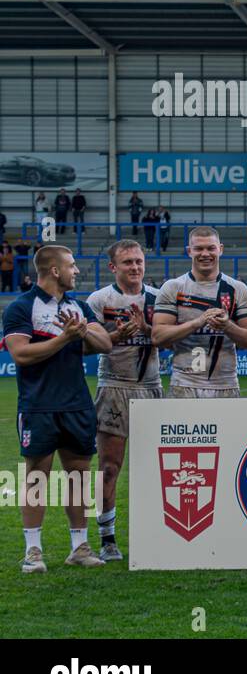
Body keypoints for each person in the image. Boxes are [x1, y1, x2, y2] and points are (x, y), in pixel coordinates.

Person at [3, 245, 113, 572]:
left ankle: (79, 546)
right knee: (37, 477)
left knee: (78, 476)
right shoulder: (21, 307)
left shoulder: (78, 307)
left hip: (77, 403)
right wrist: (66, 338)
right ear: (54, 270)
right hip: (38, 404)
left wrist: (83, 334)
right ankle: (33, 551)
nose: (76, 271)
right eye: (72, 265)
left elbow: (105, 344)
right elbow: (21, 354)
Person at [85, 239, 161, 561]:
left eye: (139, 261)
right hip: (114, 386)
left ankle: (156, 534)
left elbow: (174, 341)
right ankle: (108, 539)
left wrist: (147, 329)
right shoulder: (99, 300)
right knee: (109, 467)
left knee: (157, 469)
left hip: (151, 387)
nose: (135, 267)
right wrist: (116, 337)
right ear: (113, 267)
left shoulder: (159, 297)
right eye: (128, 262)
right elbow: (84, 346)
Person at [151, 227, 247, 399]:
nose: (205, 254)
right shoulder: (173, 287)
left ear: (220, 249)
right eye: (199, 249)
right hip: (184, 385)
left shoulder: (238, 289)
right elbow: (157, 337)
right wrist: (196, 323)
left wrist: (227, 326)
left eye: (211, 248)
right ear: (189, 251)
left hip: (226, 385)